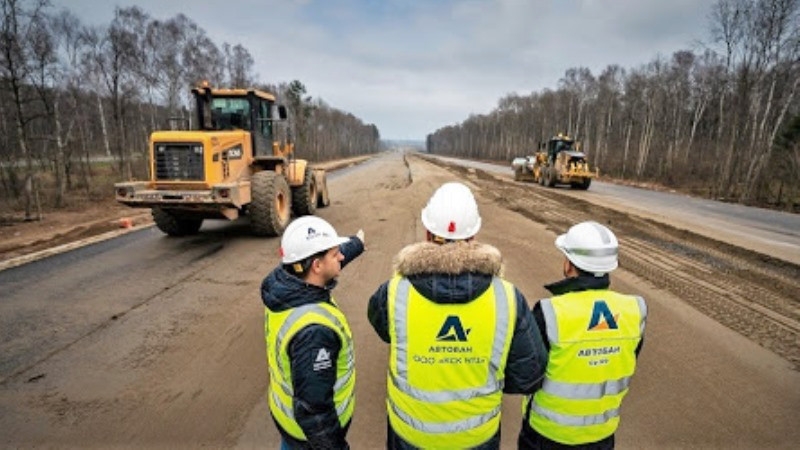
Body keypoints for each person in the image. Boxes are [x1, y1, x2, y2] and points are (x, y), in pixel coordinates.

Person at [367, 181, 548, 450]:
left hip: (410, 437)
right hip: (477, 439)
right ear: (473, 236)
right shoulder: (507, 297)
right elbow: (529, 374)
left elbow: (385, 330)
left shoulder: (394, 293)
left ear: (427, 233)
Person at [518, 221, 648, 450]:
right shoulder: (634, 310)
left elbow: (527, 376)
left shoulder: (550, 313)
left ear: (569, 265)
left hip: (547, 435)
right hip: (602, 435)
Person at [261, 215, 365, 450]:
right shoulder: (313, 332)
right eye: (336, 253)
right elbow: (314, 411)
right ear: (316, 266)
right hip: (310, 440)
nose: (341, 256)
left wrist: (355, 244)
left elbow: (322, 257)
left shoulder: (285, 285)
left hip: (288, 424)